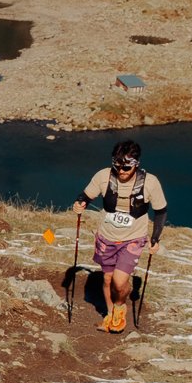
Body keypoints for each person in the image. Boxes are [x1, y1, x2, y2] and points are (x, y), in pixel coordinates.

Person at [73, 140, 166, 332]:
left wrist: (155, 237)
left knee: (119, 281)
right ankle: (110, 316)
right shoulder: (103, 176)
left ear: (136, 164)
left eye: (126, 167)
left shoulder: (150, 182)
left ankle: (120, 306)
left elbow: (161, 211)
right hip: (106, 236)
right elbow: (85, 196)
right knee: (107, 280)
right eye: (117, 166)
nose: (121, 171)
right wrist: (79, 203)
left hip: (133, 238)